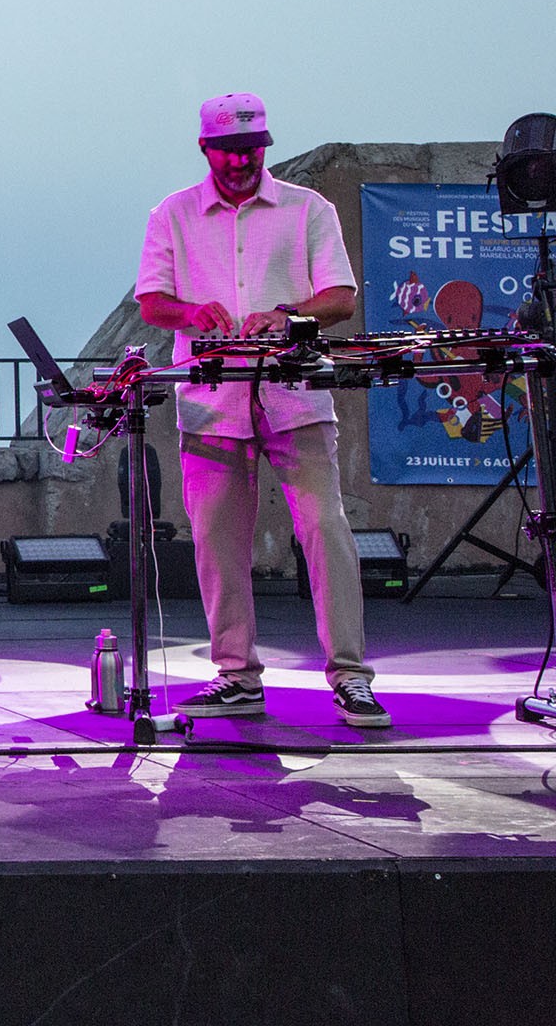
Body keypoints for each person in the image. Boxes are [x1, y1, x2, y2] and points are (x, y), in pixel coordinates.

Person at [134, 93, 388, 727]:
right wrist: (194, 313)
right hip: (213, 402)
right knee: (218, 542)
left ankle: (351, 676)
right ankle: (237, 674)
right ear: (206, 150)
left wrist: (291, 315)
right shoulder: (173, 214)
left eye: (254, 149)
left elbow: (341, 296)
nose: (244, 160)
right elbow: (152, 302)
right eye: (230, 150)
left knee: (325, 531)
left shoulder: (308, 209)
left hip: (293, 394)